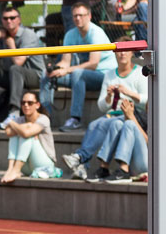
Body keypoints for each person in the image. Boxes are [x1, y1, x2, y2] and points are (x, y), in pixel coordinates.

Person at [61, 38, 148, 180]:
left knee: (107, 123)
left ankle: (81, 158)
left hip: (131, 114)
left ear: (132, 52)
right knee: (94, 124)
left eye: (125, 50)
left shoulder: (140, 73)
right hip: (112, 114)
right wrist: (108, 97)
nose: (122, 54)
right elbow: (102, 106)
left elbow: (147, 99)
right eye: (119, 51)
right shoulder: (109, 74)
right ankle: (83, 162)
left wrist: (128, 93)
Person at [39, 2, 117, 131]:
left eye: (81, 15)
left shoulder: (96, 33)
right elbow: (65, 61)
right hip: (81, 75)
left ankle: (75, 119)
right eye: (75, 16)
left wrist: (67, 70)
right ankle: (45, 117)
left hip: (103, 75)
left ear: (89, 16)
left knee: (77, 73)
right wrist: (55, 69)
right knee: (45, 75)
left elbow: (93, 64)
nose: (78, 18)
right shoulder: (70, 34)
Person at [0, 4, 46, 129]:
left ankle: (14, 112)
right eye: (5, 18)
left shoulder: (28, 35)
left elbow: (18, 62)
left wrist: (11, 44)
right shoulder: (0, 35)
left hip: (35, 76)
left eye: (12, 18)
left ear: (19, 19)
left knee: (15, 69)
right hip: (14, 76)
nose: (9, 21)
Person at [0, 91, 57, 184]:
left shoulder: (44, 119)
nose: (26, 105)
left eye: (30, 103)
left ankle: (16, 170)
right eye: (23, 103)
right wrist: (27, 125)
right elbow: (8, 132)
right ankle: (10, 169)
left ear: (37, 105)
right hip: (26, 166)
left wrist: (11, 123)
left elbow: (26, 134)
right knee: (15, 135)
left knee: (26, 136)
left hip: (44, 165)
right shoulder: (20, 119)